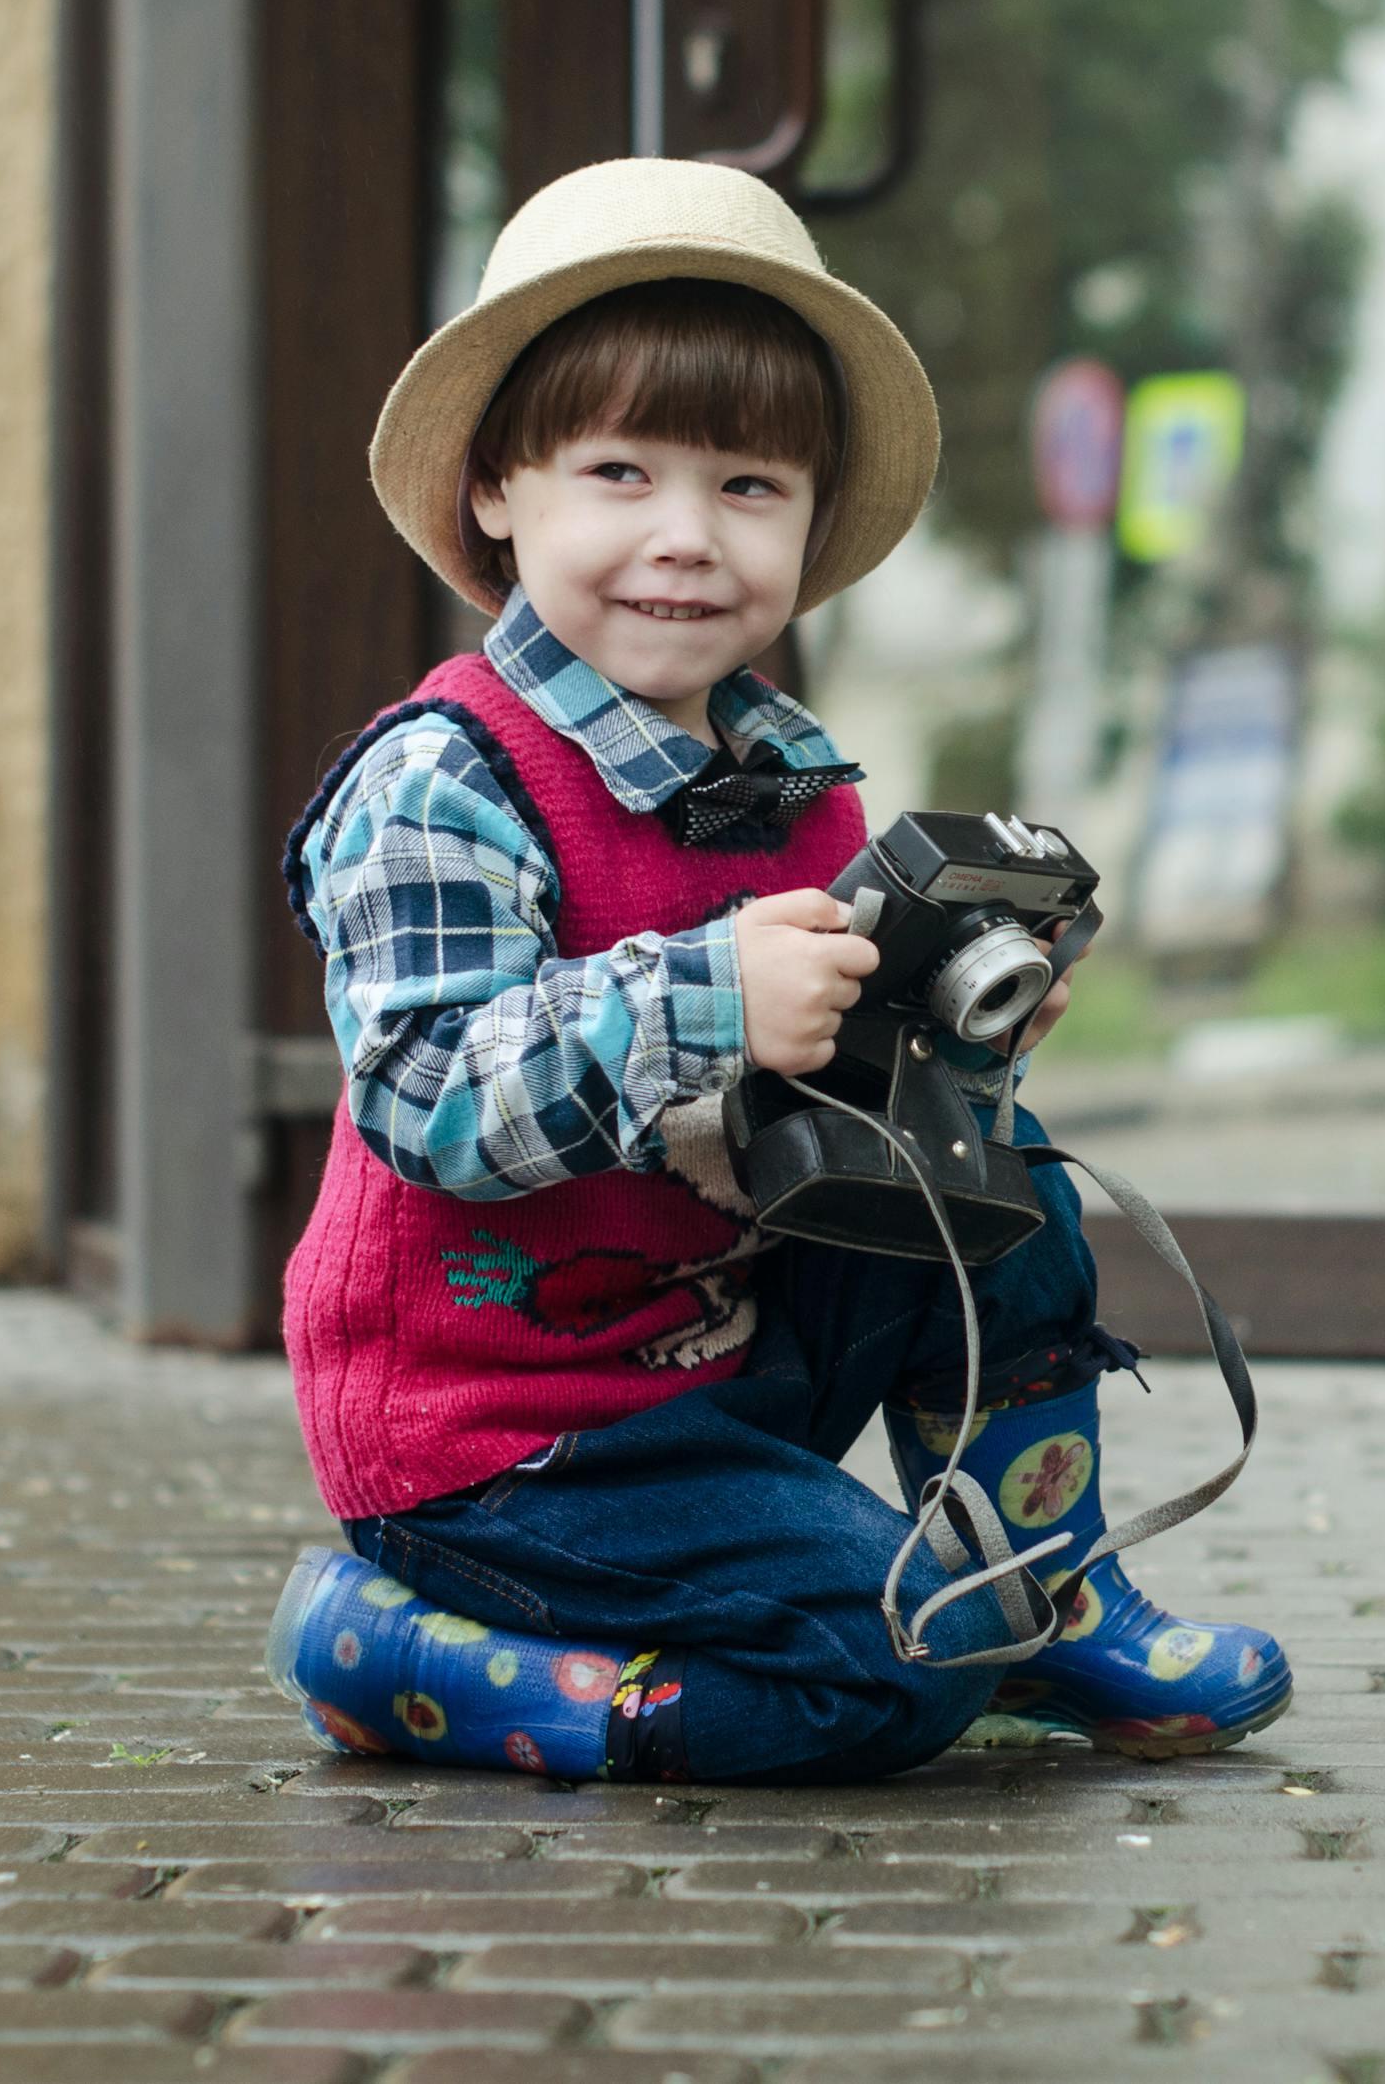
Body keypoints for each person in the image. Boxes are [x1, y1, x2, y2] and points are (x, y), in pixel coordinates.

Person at [260, 158, 1289, 1785]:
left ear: (810, 527)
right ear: (495, 490)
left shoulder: (805, 793)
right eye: (618, 470)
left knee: (995, 1170)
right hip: (503, 1437)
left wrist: (954, 1031)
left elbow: (819, 1114)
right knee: (892, 1680)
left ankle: (1043, 1574)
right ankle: (402, 1655)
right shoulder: (448, 775)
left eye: (747, 487)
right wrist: (706, 995)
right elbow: (423, 1097)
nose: (683, 537)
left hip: (724, 1367)